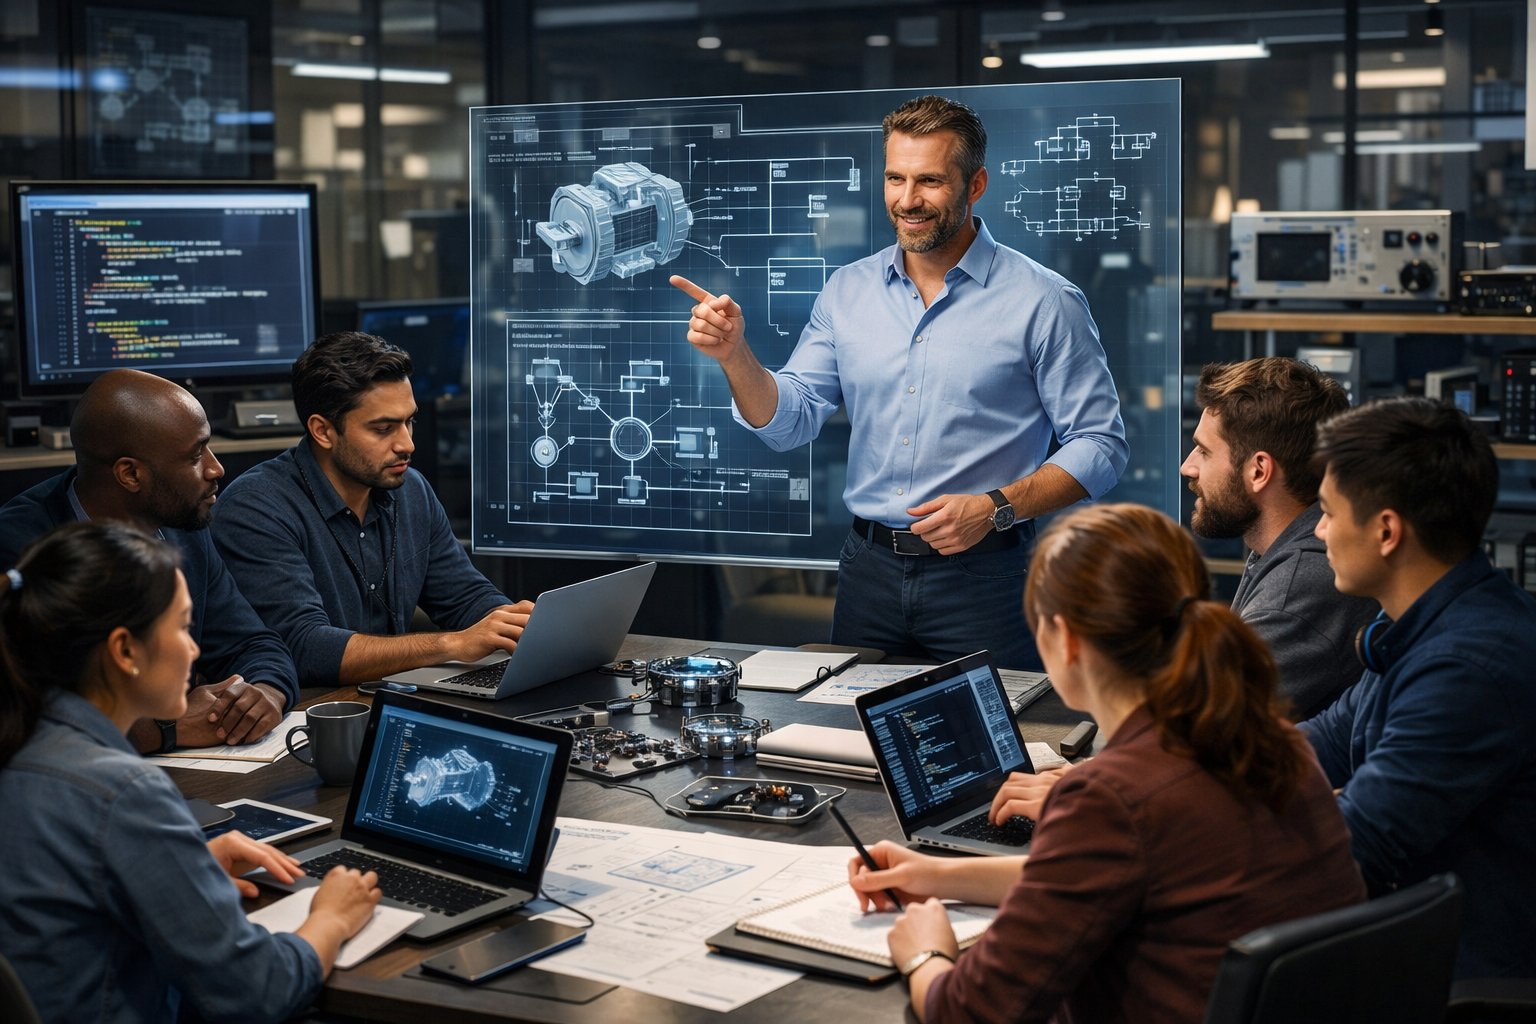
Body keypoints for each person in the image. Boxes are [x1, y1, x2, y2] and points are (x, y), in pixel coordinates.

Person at [846, 503, 1364, 1023]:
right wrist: (939, 875)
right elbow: (1099, 876)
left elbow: (968, 1012)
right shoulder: (1268, 741)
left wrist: (925, 951)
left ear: (1065, 641)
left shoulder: (1113, 797)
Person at [670, 94, 1127, 669]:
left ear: (975, 184)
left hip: (987, 576)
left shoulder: (1045, 301)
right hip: (869, 573)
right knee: (852, 749)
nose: (907, 201)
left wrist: (997, 506)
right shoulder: (847, 291)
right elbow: (791, 421)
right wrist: (736, 356)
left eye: (930, 181)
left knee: (995, 745)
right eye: (895, 178)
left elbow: (1101, 446)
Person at [0, 521, 382, 1023]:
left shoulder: (26, 747)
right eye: (182, 627)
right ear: (125, 651)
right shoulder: (125, 792)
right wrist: (331, 919)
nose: (195, 649)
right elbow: (259, 992)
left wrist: (185, 864)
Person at [1301, 397, 1536, 978]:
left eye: (1328, 511)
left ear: (1386, 531)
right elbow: (1315, 747)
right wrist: (1141, 785)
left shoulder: (1469, 665)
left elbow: (1354, 845)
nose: (1318, 529)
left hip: (1454, 978)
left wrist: (1151, 819)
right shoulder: (1416, 627)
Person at [212, 332, 535, 687]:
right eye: (383, 429)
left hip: (389, 699)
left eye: (409, 421)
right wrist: (451, 644)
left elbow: (465, 597)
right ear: (323, 431)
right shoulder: (256, 509)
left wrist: (520, 627)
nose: (407, 444)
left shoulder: (411, 489)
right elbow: (303, 647)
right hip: (309, 717)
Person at [0, 370, 299, 752]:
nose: (215, 468)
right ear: (130, 474)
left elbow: (253, 643)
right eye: (195, 455)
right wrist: (162, 729)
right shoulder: (25, 548)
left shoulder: (184, 524)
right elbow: (35, 717)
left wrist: (265, 693)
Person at [1180, 357, 1378, 719]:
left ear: (1259, 471)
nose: (1188, 467)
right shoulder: (1280, 544)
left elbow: (1198, 727)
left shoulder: (1297, 588)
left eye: (1205, 451)